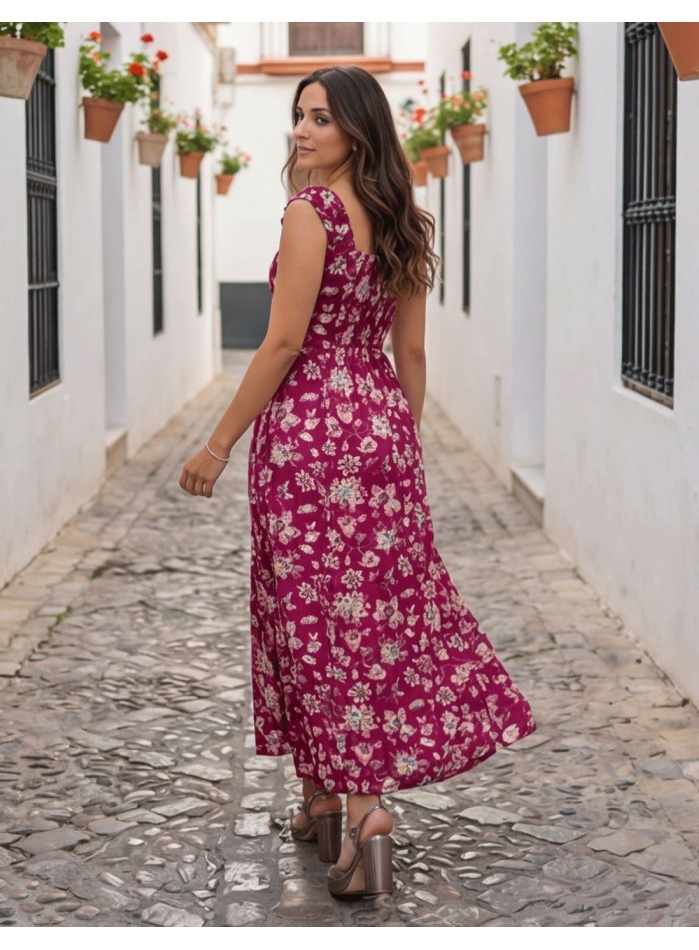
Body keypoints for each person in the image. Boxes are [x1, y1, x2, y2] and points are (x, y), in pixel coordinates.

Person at [179, 65, 536, 899]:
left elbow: (280, 345)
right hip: (380, 432)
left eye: (320, 121)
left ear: (358, 132)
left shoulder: (312, 215)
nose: (302, 133)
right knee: (366, 619)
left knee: (311, 622)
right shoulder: (407, 220)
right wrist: (398, 446)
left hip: (306, 440)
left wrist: (219, 443)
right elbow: (411, 355)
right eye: (299, 117)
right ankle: (324, 802)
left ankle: (362, 807)